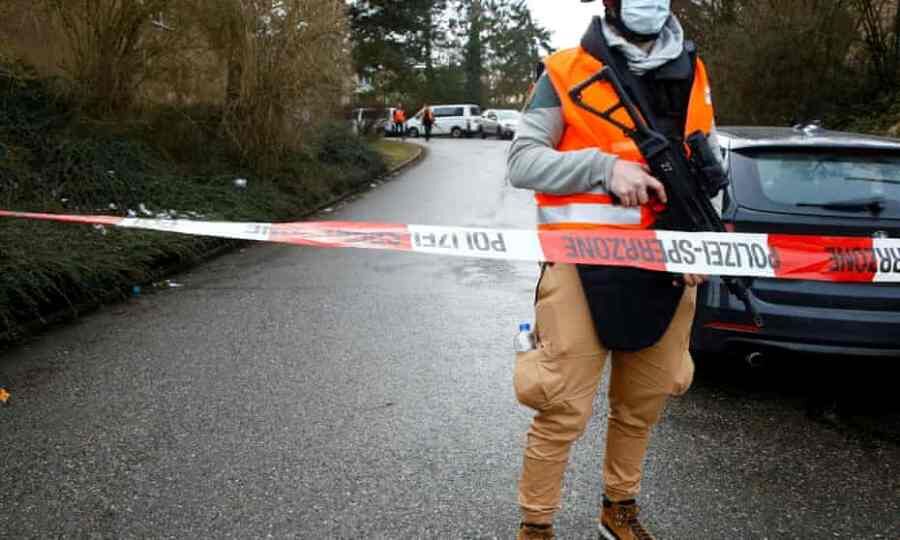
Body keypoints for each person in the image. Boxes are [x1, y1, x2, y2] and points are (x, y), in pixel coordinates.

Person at [507, 1, 722, 539]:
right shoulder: (565, 69)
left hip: (668, 267)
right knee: (561, 407)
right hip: (584, 264)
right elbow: (522, 162)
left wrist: (704, 246)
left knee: (643, 405)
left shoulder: (693, 71)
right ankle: (536, 525)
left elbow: (709, 165)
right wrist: (604, 168)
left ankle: (618, 511)